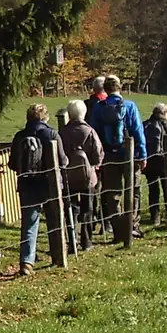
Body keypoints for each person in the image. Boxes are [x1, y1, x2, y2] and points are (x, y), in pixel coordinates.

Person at [1, 104, 63, 277]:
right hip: (49, 185)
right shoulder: (51, 134)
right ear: (45, 118)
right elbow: (63, 160)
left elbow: (12, 164)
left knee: (29, 223)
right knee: (54, 220)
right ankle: (57, 254)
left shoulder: (19, 136)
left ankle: (27, 262)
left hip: (27, 184)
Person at [90, 75, 148, 243]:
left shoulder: (99, 108)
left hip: (109, 155)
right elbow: (138, 131)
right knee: (134, 190)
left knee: (112, 193)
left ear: (105, 90)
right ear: (120, 88)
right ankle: (132, 226)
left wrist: (98, 158)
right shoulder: (129, 106)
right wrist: (142, 154)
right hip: (129, 155)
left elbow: (95, 134)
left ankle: (117, 230)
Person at [56, 100, 103, 250]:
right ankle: (87, 241)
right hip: (87, 176)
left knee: (70, 208)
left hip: (68, 176)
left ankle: (72, 240)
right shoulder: (89, 132)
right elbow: (98, 155)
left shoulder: (62, 132)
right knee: (87, 208)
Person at [142, 104, 167, 228]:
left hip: (150, 161)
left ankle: (155, 217)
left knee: (153, 189)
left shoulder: (145, 124)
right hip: (165, 161)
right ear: (164, 113)